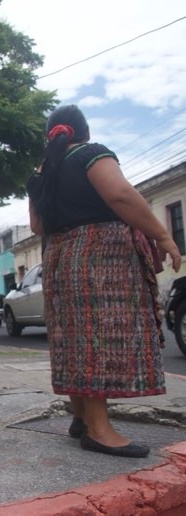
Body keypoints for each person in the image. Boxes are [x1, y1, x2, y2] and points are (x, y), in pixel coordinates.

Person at [26, 104, 182, 458]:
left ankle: (81, 417)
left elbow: (37, 227)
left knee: (75, 338)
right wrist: (161, 235)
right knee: (98, 338)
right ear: (85, 132)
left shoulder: (40, 172)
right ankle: (98, 430)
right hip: (101, 258)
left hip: (60, 258)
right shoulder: (90, 154)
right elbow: (121, 195)